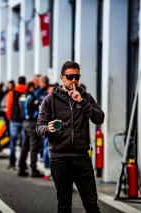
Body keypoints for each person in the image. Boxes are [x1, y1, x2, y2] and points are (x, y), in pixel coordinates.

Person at [36, 61, 104, 212]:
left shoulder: (86, 97)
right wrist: (49, 128)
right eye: (70, 76)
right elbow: (39, 128)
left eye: (77, 76)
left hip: (82, 156)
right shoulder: (50, 100)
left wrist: (82, 101)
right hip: (60, 158)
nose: (74, 80)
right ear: (62, 77)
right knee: (64, 205)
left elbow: (99, 118)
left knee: (92, 204)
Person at [17, 81, 42, 177]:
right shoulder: (32, 97)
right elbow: (37, 111)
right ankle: (33, 169)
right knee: (34, 147)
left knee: (25, 146)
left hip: (24, 123)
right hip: (32, 123)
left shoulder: (22, 96)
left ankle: (21, 168)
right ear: (31, 87)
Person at [6, 76, 26, 170]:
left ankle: (12, 164)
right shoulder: (27, 92)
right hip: (24, 121)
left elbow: (8, 107)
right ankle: (22, 164)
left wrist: (10, 118)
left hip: (14, 120)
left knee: (13, 143)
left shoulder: (12, 92)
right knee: (23, 144)